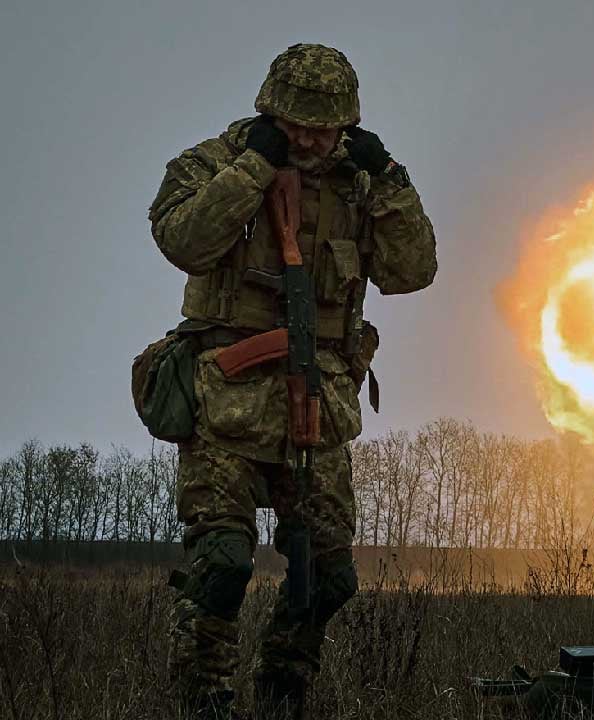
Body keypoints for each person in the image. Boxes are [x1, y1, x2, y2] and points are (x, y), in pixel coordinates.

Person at [149, 44, 437, 719]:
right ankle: (203, 699)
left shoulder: (361, 183)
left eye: (325, 129)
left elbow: (411, 271)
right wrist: (253, 168)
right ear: (270, 113)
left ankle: (283, 687)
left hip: (318, 405)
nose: (310, 141)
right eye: (297, 126)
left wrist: (391, 179)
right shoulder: (215, 162)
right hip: (226, 405)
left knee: (329, 575)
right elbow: (183, 241)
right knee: (222, 565)